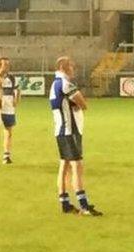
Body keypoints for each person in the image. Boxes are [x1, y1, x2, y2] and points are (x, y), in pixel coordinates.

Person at [50, 56, 102, 216]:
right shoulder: (65, 84)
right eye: (71, 66)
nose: (73, 69)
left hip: (60, 130)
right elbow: (83, 103)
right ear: (63, 67)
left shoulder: (54, 84)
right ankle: (84, 206)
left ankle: (64, 203)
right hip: (69, 130)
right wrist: (78, 106)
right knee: (76, 166)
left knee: (64, 166)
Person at [0, 57, 20, 164]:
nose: (7, 67)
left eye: (8, 64)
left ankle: (6, 155)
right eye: (5, 64)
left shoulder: (12, 78)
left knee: (8, 131)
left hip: (8, 108)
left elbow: (17, 90)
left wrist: (16, 100)